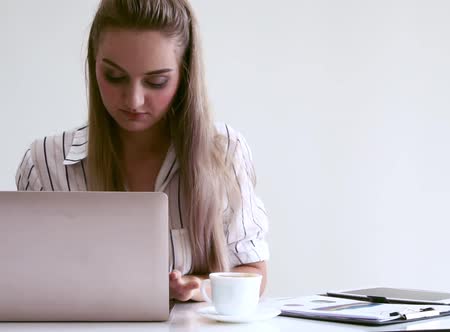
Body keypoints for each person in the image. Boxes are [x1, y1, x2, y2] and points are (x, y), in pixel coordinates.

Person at [14, 0, 269, 302]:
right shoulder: (45, 164)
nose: (134, 100)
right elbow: (25, 285)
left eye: (156, 81)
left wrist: (197, 289)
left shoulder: (224, 151)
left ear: (184, 75)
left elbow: (252, 271)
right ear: (93, 64)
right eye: (115, 77)